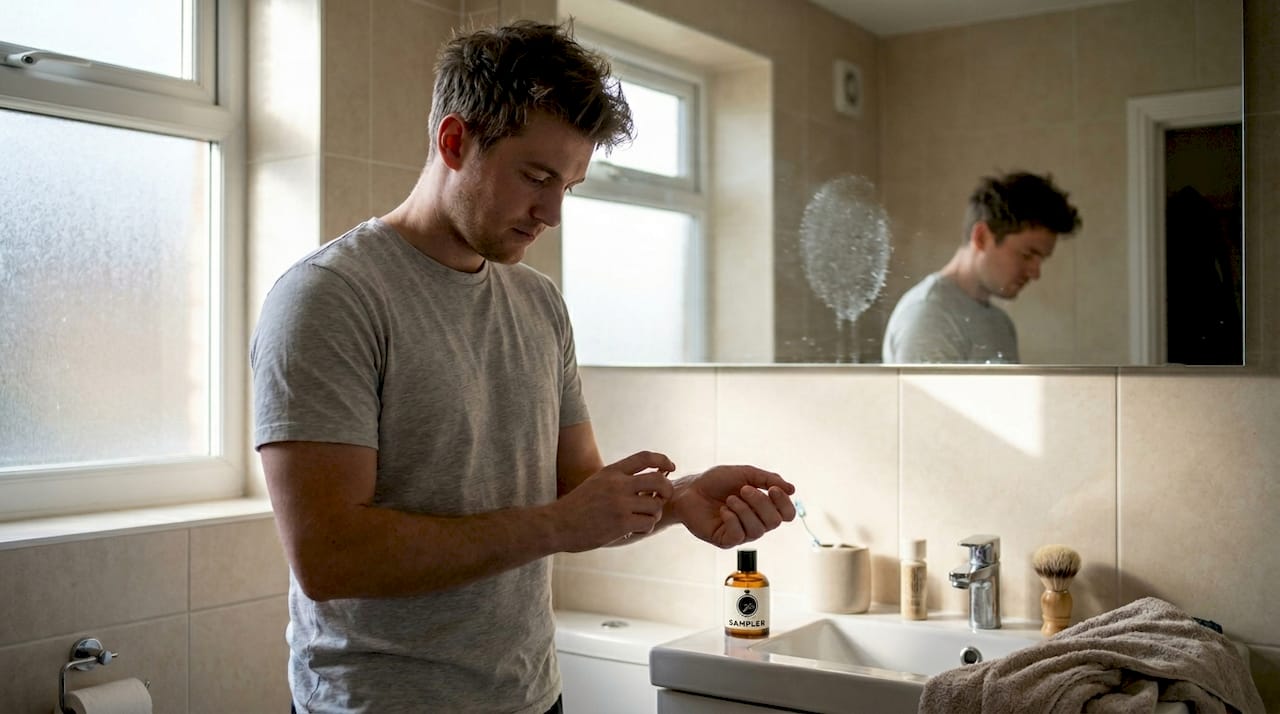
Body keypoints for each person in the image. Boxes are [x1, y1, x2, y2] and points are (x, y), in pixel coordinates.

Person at [249, 20, 796, 714]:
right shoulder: (331, 298)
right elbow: (330, 557)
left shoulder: (538, 303)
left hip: (532, 696)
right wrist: (556, 526)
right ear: (454, 141)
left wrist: (680, 499)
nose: (552, 213)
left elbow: (577, 495)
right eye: (536, 177)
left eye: (569, 185)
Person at [881, 171, 1081, 364]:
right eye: (1027, 255)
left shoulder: (1001, 323)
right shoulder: (930, 315)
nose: (1035, 273)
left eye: (1041, 259)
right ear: (981, 237)